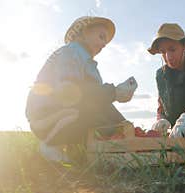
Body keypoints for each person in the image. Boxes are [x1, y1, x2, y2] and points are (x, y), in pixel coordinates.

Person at [25, 16, 137, 160]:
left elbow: (100, 101)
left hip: (59, 111)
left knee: (109, 123)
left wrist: (123, 125)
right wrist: (114, 92)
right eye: (101, 36)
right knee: (95, 114)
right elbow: (70, 92)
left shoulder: (86, 61)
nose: (103, 44)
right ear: (84, 33)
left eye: (105, 41)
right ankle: (52, 143)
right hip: (47, 116)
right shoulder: (71, 52)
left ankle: (74, 147)